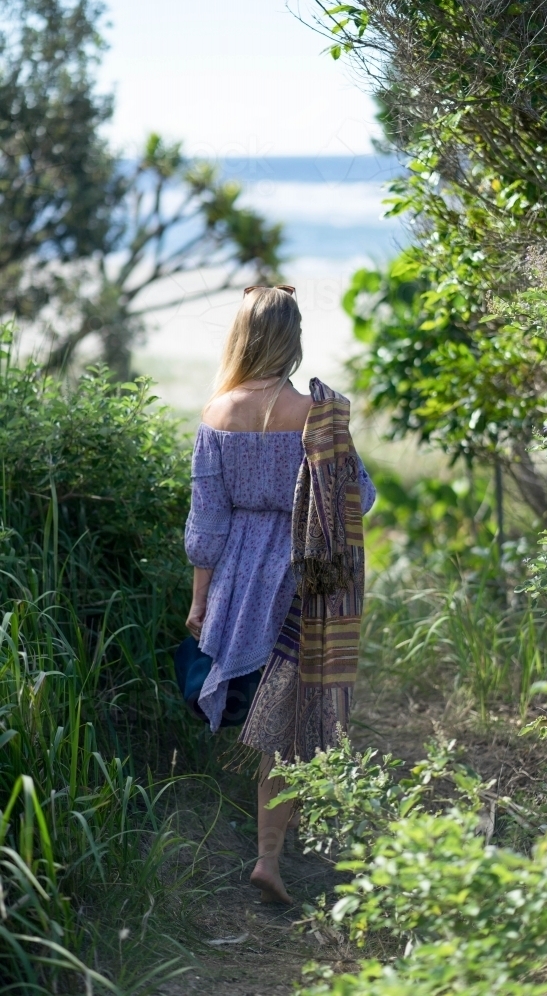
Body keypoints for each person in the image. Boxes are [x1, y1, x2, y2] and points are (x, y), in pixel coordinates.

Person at [184, 285, 376, 904]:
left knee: (253, 710)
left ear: (241, 335)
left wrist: (199, 599)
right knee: (288, 724)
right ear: (293, 341)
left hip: (239, 581)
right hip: (303, 581)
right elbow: (361, 499)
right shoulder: (317, 415)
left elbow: (206, 522)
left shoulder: (216, 415)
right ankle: (271, 856)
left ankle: (208, 836)